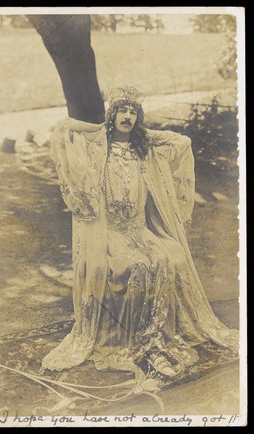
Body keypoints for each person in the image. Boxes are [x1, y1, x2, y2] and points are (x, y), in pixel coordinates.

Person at [42, 85, 238, 378]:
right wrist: (98, 127)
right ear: (113, 114)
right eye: (123, 110)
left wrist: (146, 133)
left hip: (139, 232)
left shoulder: (142, 149)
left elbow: (180, 141)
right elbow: (63, 127)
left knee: (166, 257)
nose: (128, 116)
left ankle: (156, 343)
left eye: (134, 112)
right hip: (110, 235)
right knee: (138, 266)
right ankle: (143, 345)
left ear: (139, 118)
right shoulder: (99, 147)